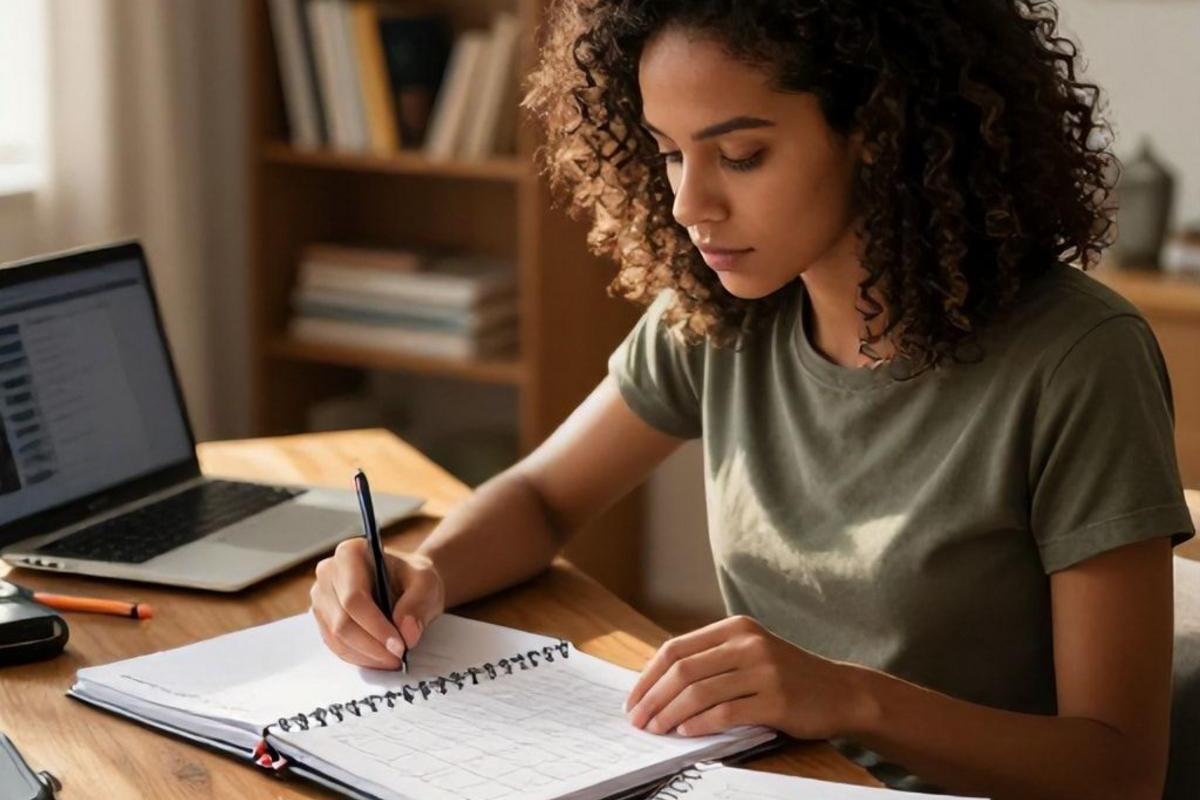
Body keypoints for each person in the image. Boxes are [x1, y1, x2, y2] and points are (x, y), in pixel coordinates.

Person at [309, 1, 1196, 796]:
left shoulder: (1078, 359)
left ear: (878, 127)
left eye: (740, 155)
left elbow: (1118, 771)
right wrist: (425, 574)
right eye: (668, 154)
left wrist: (846, 698)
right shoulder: (720, 316)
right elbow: (543, 498)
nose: (689, 204)